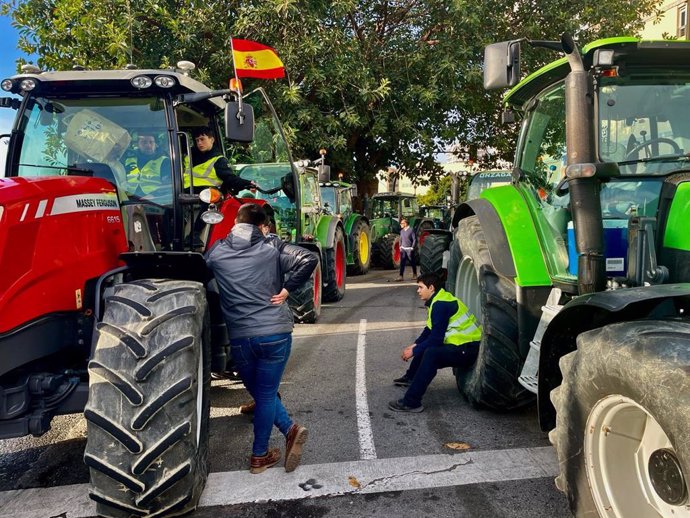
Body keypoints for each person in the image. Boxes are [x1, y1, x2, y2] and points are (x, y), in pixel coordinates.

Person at [206, 203, 317, 474]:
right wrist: (288, 289)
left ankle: (284, 436)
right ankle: (262, 452)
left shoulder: (217, 251)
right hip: (275, 334)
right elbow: (309, 259)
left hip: (241, 337)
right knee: (265, 393)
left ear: (235, 222)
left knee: (258, 390)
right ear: (261, 225)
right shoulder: (272, 246)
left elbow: (202, 275)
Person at [389, 272, 481, 413]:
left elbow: (436, 339)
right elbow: (429, 330)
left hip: (469, 349)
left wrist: (414, 351)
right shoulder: (437, 300)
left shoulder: (440, 305)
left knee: (431, 353)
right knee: (423, 346)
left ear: (431, 288)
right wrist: (415, 345)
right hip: (461, 345)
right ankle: (410, 377)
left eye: (420, 287)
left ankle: (411, 402)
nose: (418, 291)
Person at [184, 126, 254, 194]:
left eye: (202, 139)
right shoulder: (188, 157)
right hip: (183, 196)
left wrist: (248, 184)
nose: (199, 143)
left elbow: (230, 179)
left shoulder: (218, 160)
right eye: (197, 140)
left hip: (206, 198)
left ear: (212, 140)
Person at [124, 132, 171, 199]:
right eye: (144, 142)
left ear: (156, 144)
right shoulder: (129, 160)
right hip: (128, 199)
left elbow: (168, 185)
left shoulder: (164, 161)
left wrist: (153, 195)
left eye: (151, 142)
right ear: (138, 145)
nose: (148, 145)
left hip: (155, 202)